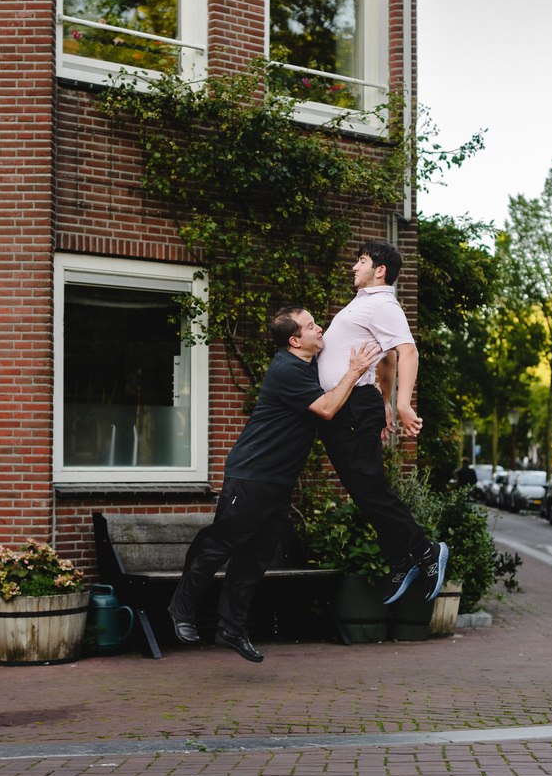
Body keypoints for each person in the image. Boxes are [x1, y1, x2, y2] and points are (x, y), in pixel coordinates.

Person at [168, 307, 381, 663]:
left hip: (278, 481)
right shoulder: (287, 369)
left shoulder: (308, 362)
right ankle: (181, 609)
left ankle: (230, 628)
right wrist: (355, 370)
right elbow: (327, 408)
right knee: (219, 544)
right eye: (312, 326)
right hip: (251, 475)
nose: (320, 328)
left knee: (256, 558)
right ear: (295, 340)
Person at [317, 240, 449, 606]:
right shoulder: (363, 303)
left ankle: (424, 552)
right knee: (364, 491)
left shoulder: (383, 304)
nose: (353, 267)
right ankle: (400, 559)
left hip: (354, 407)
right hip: (351, 405)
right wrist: (385, 401)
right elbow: (386, 358)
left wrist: (402, 403)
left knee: (370, 488)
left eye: (360, 261)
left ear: (380, 271)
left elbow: (407, 352)